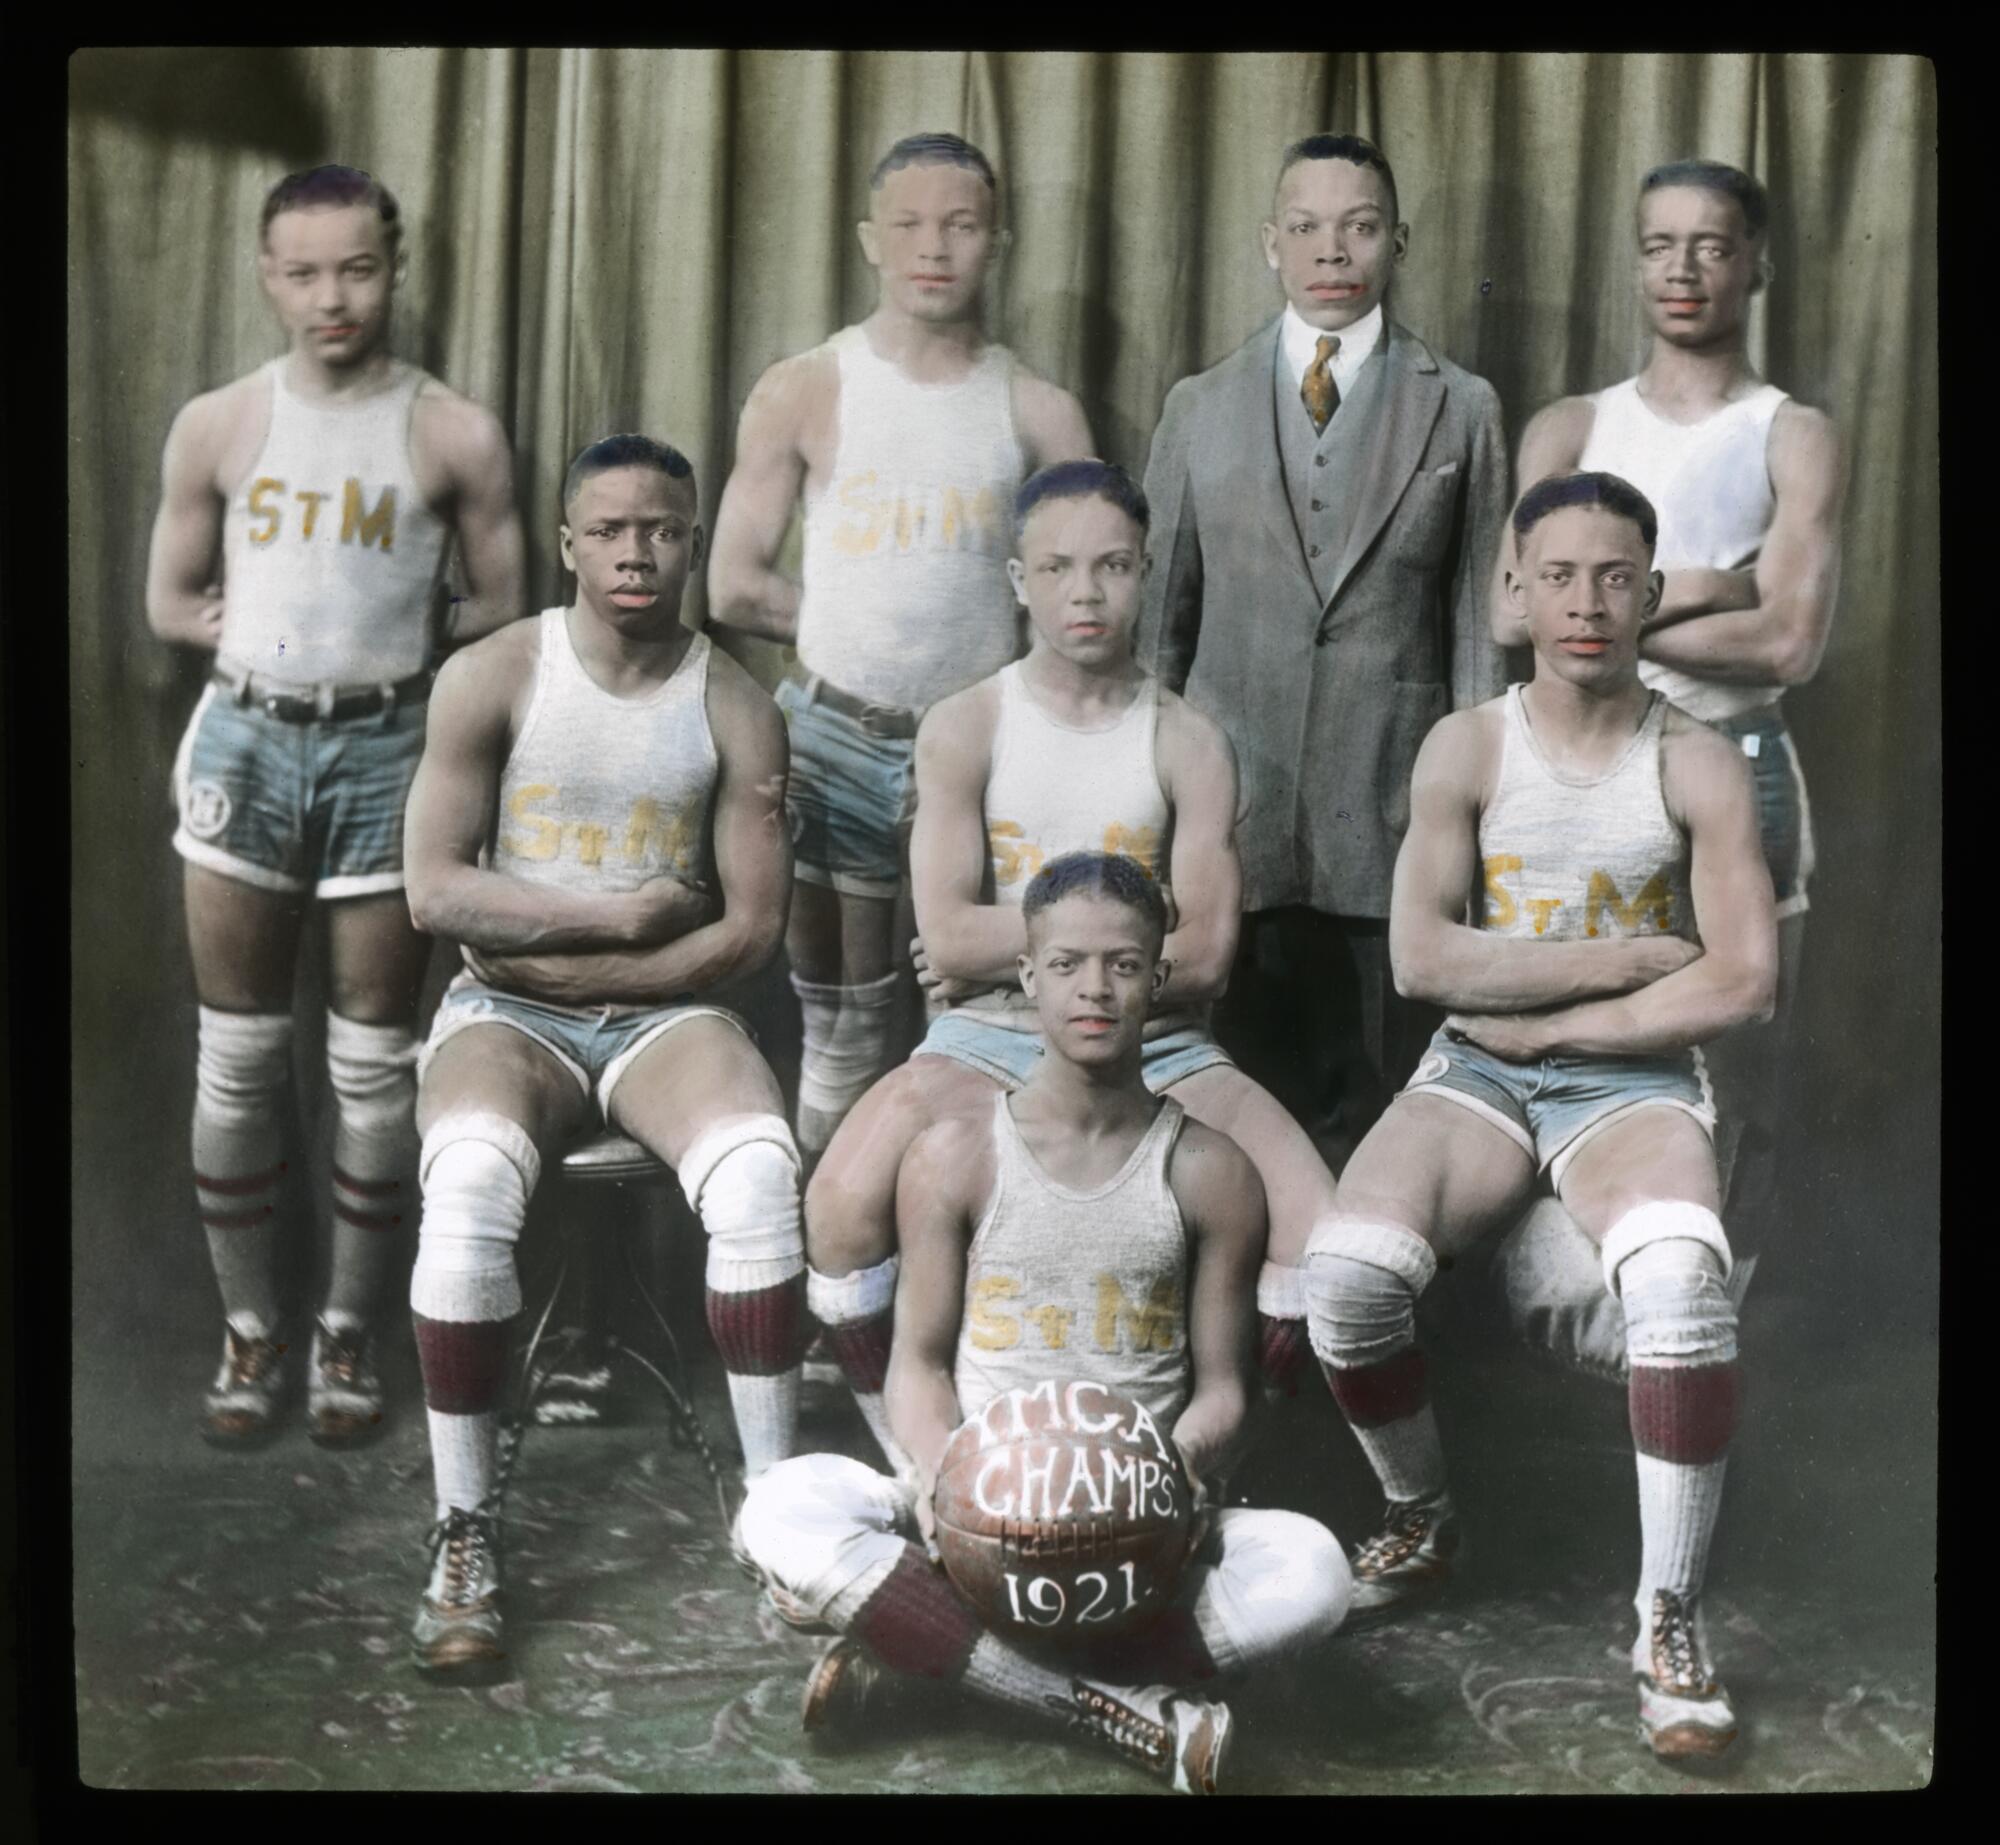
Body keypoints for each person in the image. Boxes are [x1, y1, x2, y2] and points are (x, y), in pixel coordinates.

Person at [1305, 472, 1777, 1763]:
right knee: (1347, 1274)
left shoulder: (1695, 763)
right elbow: (1421, 959)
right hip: (1479, 1071)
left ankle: (1667, 1615)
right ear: (1514, 592)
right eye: (1558, 576)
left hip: (1627, 1080)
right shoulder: (1469, 744)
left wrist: (1560, 1021)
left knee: (1679, 1283)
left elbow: (1739, 976)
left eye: (1615, 577)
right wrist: (1619, 965)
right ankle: (1424, 1514)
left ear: (1653, 593)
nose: (1586, 603)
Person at [736, 852, 1351, 1794]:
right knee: (780, 1504)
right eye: (1066, 964)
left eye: (1122, 963)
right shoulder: (955, 1154)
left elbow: (1227, 1388)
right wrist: (945, 1482)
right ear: (1027, 979)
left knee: (1316, 1573)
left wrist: (1177, 1471)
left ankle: (942, 1667)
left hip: (1139, 1523)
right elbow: (920, 1366)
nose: (1094, 988)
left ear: (1160, 977)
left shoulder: (1211, 1168)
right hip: (979, 1512)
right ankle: (1115, 1706)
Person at [805, 460, 1343, 1475]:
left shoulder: (1185, 739)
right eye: (1055, 568)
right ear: (1016, 580)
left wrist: (1021, 946)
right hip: (986, 1039)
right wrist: (1114, 942)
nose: (1084, 593)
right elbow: (940, 929)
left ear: (1145, 574)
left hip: (1161, 1041)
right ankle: (932, 1469)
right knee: (836, 1208)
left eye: (1111, 567)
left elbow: (1208, 956)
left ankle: (1200, 1473)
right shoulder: (966, 724)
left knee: (1324, 1240)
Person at [398, 435, 803, 1678]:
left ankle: (788, 1523)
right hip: (505, 1017)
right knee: (465, 1183)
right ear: (569, 542)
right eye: (612, 529)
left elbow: (748, 928)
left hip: (658, 1016)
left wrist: (610, 976)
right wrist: (604, 920)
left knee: (756, 1177)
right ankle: (464, 1534)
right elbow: (430, 892)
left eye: (665, 529)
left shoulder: (733, 700)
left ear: (693, 540)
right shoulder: (493, 674)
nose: (638, 552)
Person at [145, 164, 527, 1449]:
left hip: (388, 755)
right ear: (266, 276)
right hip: (249, 743)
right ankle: (250, 1327)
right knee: (241, 1057)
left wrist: (389, 651)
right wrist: (268, 642)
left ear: (395, 267)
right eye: (303, 272)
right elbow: (171, 598)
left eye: (356, 269)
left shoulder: (450, 432)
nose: (331, 297)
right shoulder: (220, 423)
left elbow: (498, 610)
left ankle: (347, 1331)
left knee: (373, 1069)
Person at [1491, 161, 1846, 1364]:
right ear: (1633, 260)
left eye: (1709, 245)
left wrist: (1604, 616)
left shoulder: (1788, 432)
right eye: (1658, 245)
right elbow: (1507, 618)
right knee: (1580, 1020)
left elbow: (1788, 640)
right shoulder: (1572, 426)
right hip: (1587, 763)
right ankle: (1584, 1336)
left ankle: (1699, 1340)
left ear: (1754, 263)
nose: (1682, 269)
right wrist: (1698, 584)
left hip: (1735, 753)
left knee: (1736, 1061)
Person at [708, 131, 1093, 1165]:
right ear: (871, 240)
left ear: (996, 243)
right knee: (841, 1034)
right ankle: (832, 1299)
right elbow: (732, 580)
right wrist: (862, 629)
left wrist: (966, 686)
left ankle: (947, 1283)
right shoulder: (806, 386)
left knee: (971, 1033)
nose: (935, 248)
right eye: (912, 226)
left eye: (961, 226)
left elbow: (1081, 600)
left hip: (978, 757)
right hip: (834, 738)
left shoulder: (1039, 413)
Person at [1138, 132, 1510, 1177]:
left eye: (1356, 226)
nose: (1329, 249)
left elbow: (1480, 644)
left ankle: (1365, 1324)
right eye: (1303, 227)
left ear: (1395, 240)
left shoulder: (1463, 408)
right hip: (1233, 827)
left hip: (1387, 825)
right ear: (1268, 243)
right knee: (1233, 1119)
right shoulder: (1196, 407)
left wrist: (1474, 830)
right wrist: (1152, 817)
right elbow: (1155, 642)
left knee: (1377, 1112)